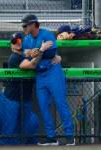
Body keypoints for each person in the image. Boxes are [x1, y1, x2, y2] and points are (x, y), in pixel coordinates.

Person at [19, 14, 75, 146]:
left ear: (33, 24)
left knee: (61, 103)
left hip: (53, 71)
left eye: (25, 25)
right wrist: (40, 50)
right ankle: (51, 137)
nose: (24, 27)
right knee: (43, 107)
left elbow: (50, 54)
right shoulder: (26, 39)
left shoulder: (46, 34)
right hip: (40, 74)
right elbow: (26, 55)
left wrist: (35, 52)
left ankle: (69, 136)